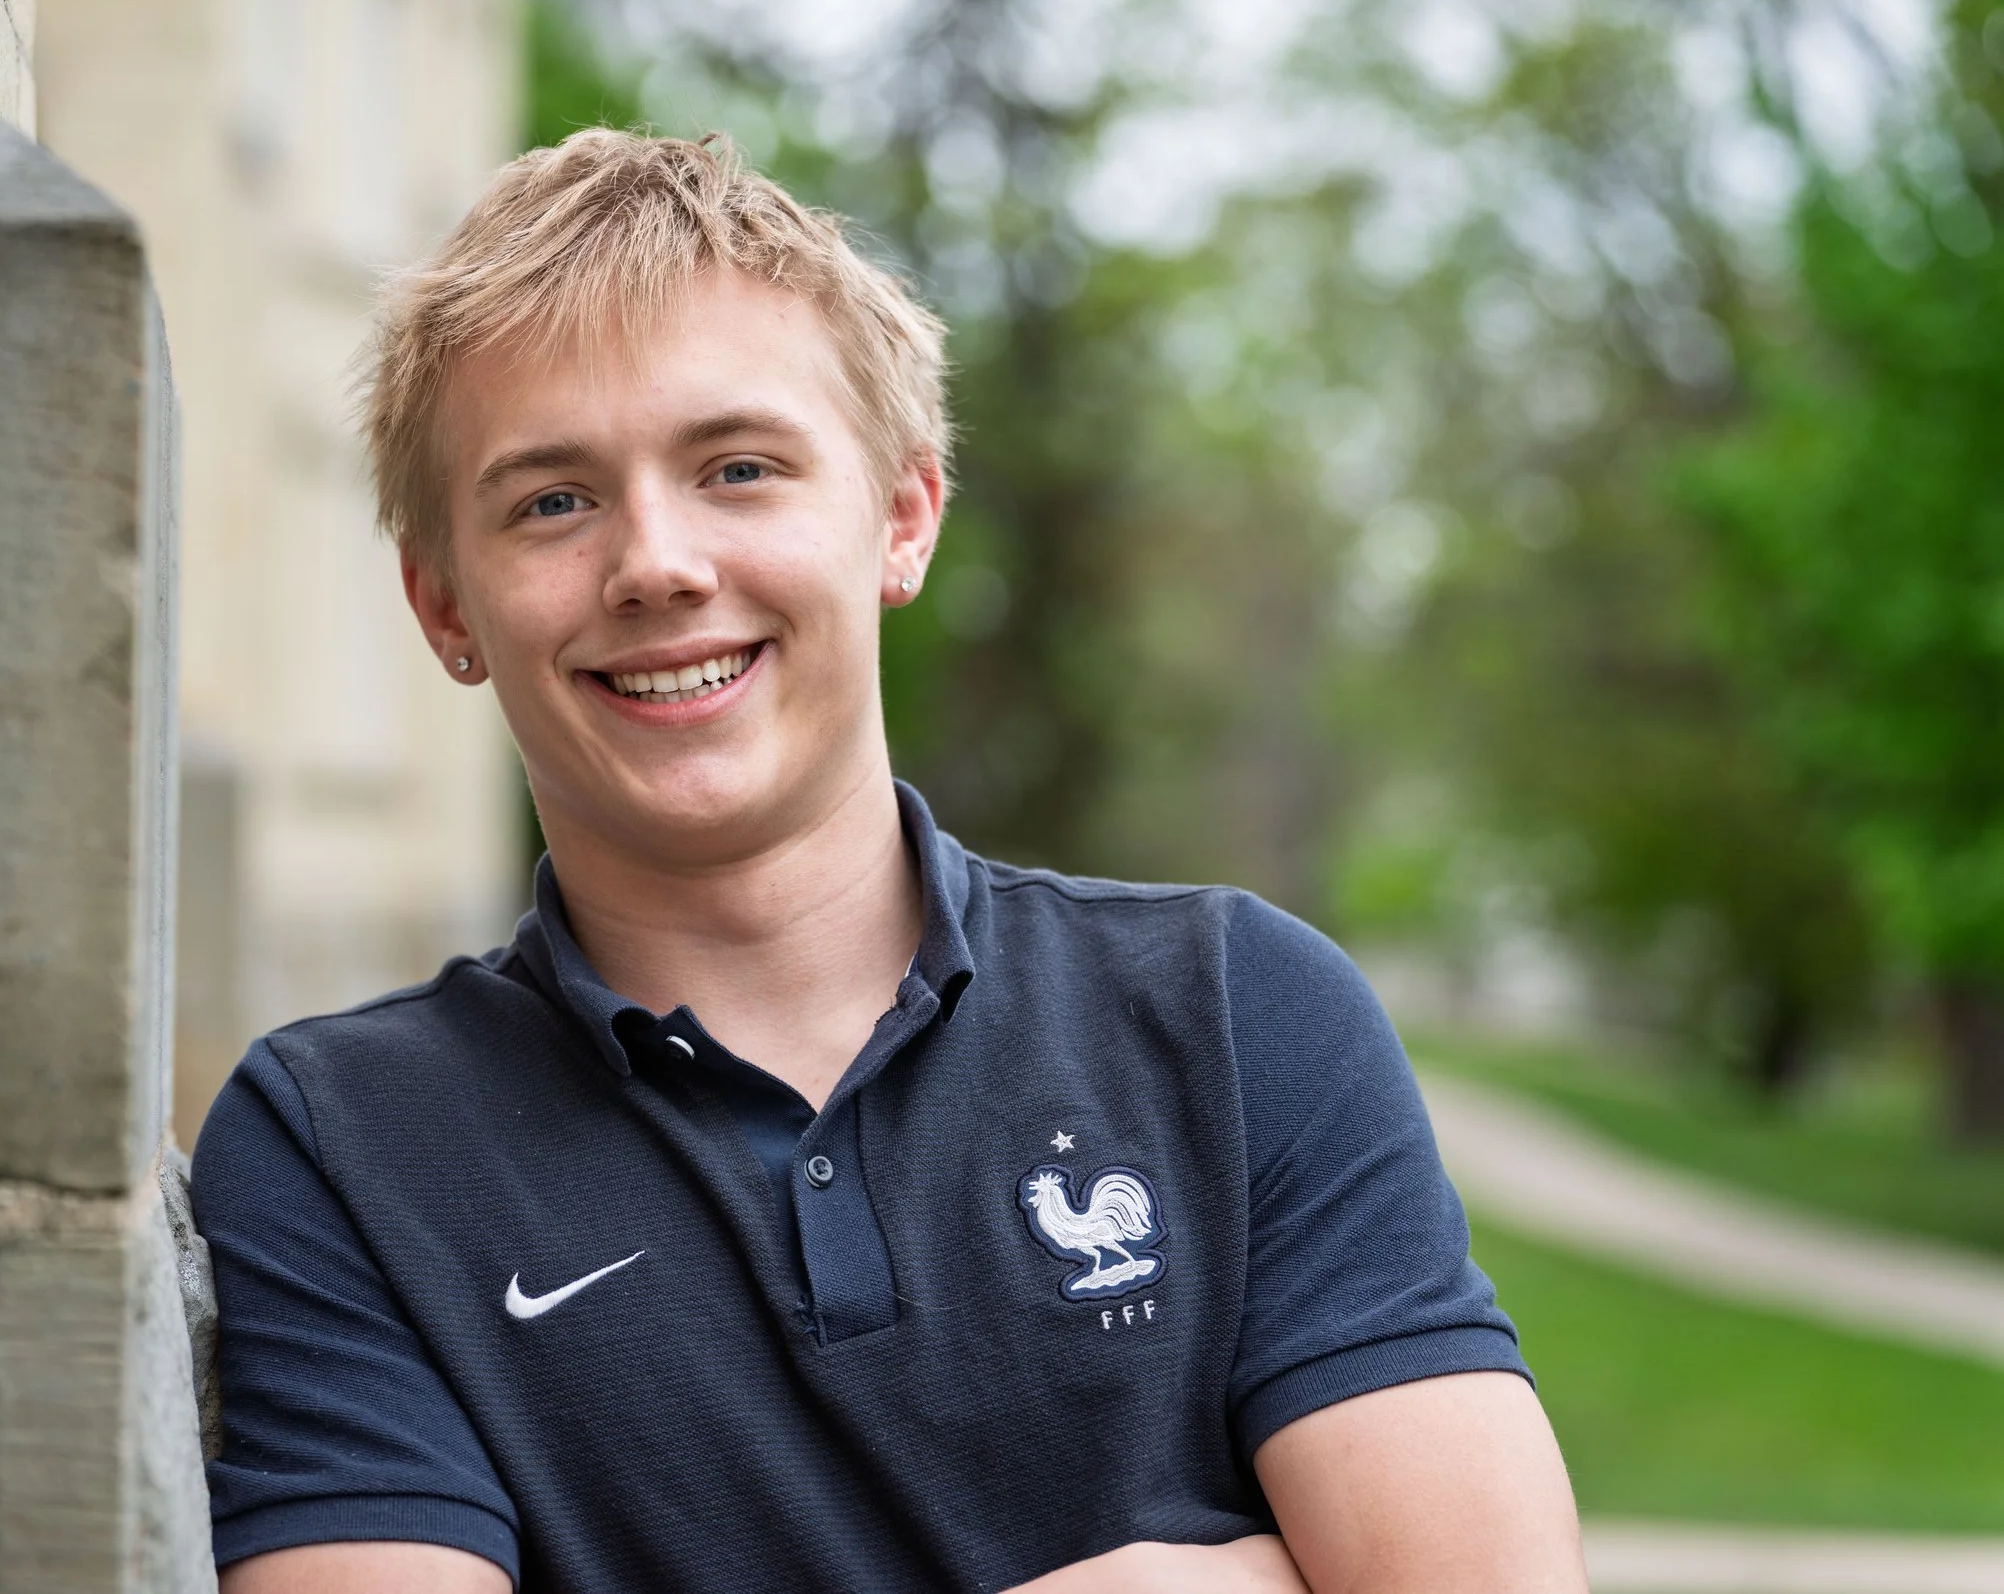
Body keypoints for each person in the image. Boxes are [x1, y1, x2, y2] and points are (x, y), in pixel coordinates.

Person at [191, 130, 1588, 1594]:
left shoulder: (1239, 1014)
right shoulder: (336, 1147)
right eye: (553, 499)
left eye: (738, 467)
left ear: (903, 516)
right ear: (443, 604)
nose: (656, 562)